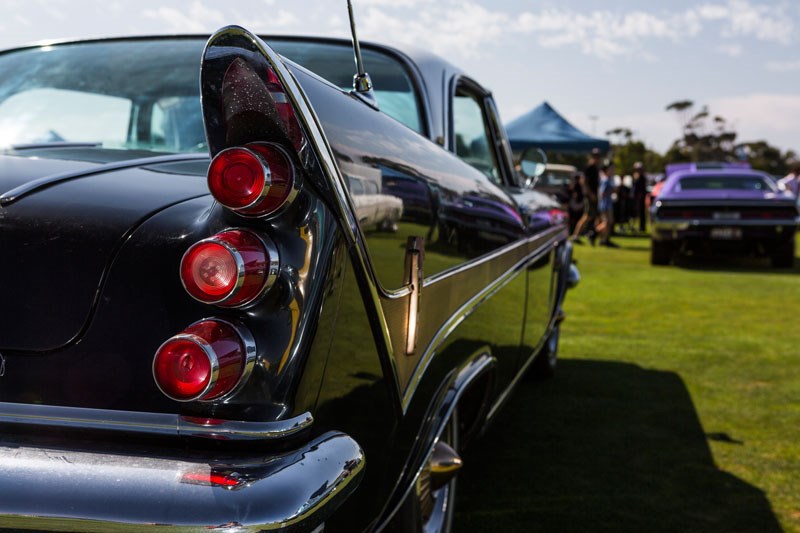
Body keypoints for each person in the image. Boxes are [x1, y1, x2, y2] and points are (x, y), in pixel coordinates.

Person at [571, 148, 602, 245]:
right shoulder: (589, 168)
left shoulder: (596, 168)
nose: (596, 158)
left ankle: (592, 234)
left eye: (597, 156)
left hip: (594, 196)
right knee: (587, 216)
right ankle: (576, 236)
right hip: (589, 196)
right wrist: (590, 194)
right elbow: (583, 181)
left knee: (595, 216)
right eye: (594, 156)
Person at [597, 162, 619, 247]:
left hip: (607, 204)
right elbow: (602, 192)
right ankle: (594, 233)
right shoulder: (605, 180)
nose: (612, 171)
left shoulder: (608, 179)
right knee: (607, 222)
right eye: (611, 169)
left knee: (609, 222)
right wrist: (612, 191)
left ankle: (605, 239)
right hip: (605, 204)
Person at [631, 161, 648, 232]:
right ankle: (639, 226)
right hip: (636, 197)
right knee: (637, 212)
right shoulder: (636, 176)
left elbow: (641, 188)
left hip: (640, 197)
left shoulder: (641, 177)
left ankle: (642, 227)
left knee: (641, 212)